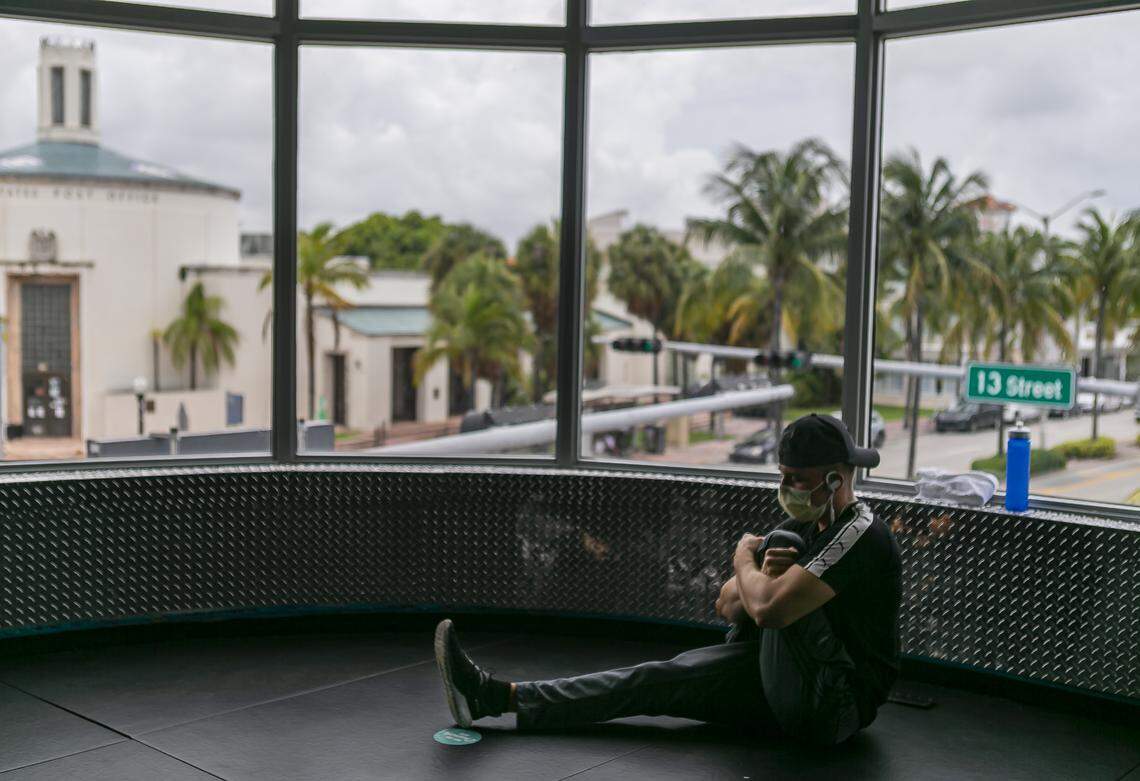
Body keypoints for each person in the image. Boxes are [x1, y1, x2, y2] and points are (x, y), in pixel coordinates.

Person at [434, 413, 902, 747]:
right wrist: (755, 579)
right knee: (656, 678)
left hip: (834, 706)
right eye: (782, 477)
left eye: (797, 479)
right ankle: (496, 698)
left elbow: (768, 609)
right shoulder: (802, 528)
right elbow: (726, 606)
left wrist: (744, 559)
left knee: (777, 598)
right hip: (778, 678)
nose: (786, 489)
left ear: (837, 480)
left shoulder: (861, 535)